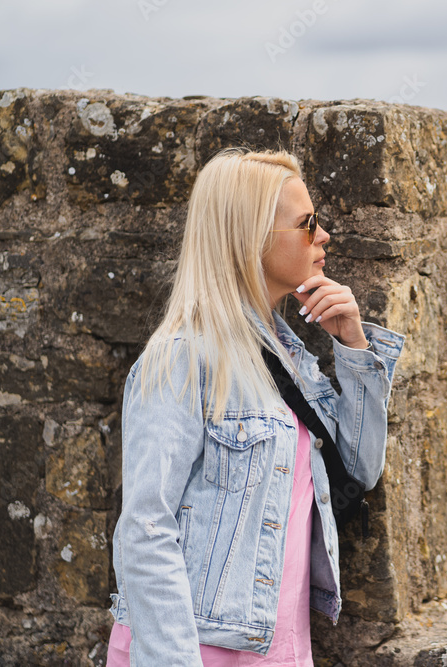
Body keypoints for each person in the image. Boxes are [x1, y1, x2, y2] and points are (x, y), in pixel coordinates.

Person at [105, 147, 405, 666]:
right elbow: (146, 528)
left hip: (280, 650)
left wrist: (354, 348)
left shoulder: (290, 357)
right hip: (195, 650)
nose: (325, 235)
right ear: (251, 238)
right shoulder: (183, 357)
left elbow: (359, 469)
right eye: (307, 223)